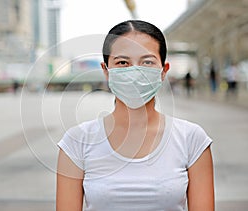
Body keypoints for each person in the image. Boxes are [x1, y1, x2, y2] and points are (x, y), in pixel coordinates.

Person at [57, 20, 214, 211]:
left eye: (147, 62)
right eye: (123, 63)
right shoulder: (77, 142)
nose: (134, 71)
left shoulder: (192, 139)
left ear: (163, 71)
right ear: (106, 71)